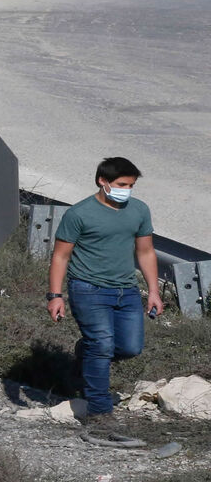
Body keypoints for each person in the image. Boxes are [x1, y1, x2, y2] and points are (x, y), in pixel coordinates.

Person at [48, 157, 161, 444]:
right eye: (122, 184)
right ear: (103, 181)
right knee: (102, 346)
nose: (127, 190)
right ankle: (99, 414)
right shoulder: (79, 214)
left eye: (131, 185)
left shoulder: (138, 210)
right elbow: (61, 256)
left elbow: (145, 251)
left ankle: (84, 354)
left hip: (126, 291)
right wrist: (55, 295)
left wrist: (154, 291)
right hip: (88, 290)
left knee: (130, 347)